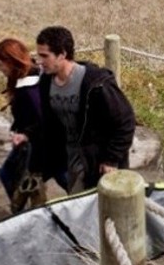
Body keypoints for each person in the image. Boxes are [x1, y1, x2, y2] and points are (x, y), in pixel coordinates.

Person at [35, 26, 136, 194]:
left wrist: (111, 159)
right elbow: (49, 124)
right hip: (67, 161)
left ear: (62, 54)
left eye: (44, 55)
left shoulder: (96, 84)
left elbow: (125, 121)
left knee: (97, 210)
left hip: (96, 162)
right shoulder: (46, 83)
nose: (39, 61)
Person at [0, 38, 67, 212]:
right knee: (64, 177)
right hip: (47, 142)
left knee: (12, 176)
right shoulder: (33, 73)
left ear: (11, 61)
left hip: (44, 144)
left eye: (0, 64)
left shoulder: (28, 89)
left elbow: (44, 119)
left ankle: (25, 214)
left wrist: (25, 134)